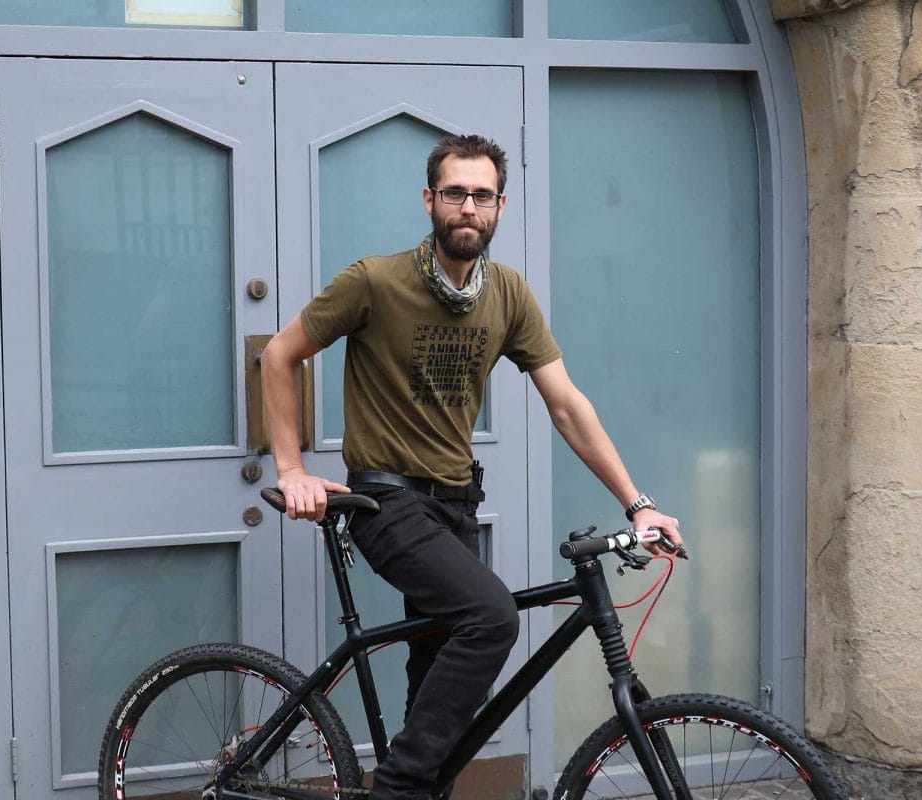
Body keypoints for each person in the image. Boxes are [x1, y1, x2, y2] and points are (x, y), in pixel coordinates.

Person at [261, 134, 684, 800]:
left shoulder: (506, 295)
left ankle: (416, 785)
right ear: (430, 200)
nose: (468, 207)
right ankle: (396, 790)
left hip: (455, 505)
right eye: (454, 192)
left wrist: (639, 503)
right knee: (492, 617)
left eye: (481, 195)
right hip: (385, 503)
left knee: (441, 694)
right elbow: (279, 355)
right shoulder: (374, 281)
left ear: (500, 206)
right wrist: (291, 469)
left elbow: (567, 405)